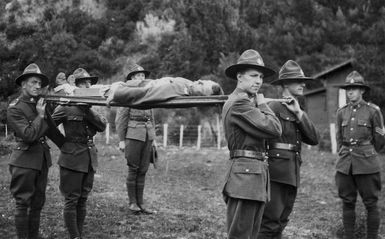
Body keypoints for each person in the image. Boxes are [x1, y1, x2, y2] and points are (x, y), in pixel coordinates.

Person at [221, 49, 282, 238]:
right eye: (253, 75)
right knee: (241, 235)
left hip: (252, 177)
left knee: (250, 234)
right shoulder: (240, 103)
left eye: (261, 77)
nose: (258, 81)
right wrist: (263, 105)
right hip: (244, 179)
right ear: (240, 77)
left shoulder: (247, 102)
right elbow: (274, 129)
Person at [258, 60, 319, 238]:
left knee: (281, 222)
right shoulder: (272, 107)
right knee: (269, 223)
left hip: (292, 171)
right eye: (298, 80)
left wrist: (299, 113)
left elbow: (313, 138)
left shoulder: (296, 108)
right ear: (285, 83)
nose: (303, 84)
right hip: (275, 172)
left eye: (303, 80)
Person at [7, 63, 65, 239]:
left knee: (38, 202)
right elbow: (29, 135)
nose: (38, 86)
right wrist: (40, 115)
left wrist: (68, 146)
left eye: (39, 83)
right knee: (23, 203)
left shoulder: (39, 104)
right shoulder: (15, 108)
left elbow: (52, 131)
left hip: (41, 160)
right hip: (24, 160)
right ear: (23, 84)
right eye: (33, 82)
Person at [51, 68, 106, 239]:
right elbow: (49, 126)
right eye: (83, 82)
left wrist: (87, 110)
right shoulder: (66, 107)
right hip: (71, 158)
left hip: (89, 158)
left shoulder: (91, 107)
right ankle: (74, 236)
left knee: (83, 199)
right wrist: (63, 144)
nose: (87, 85)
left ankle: (78, 234)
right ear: (75, 85)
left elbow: (102, 126)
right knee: (72, 199)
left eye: (89, 83)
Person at [334, 71, 384, 239]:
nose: (350, 92)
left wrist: (367, 152)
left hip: (367, 163)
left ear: (362, 90)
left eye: (354, 88)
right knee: (347, 202)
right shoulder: (341, 112)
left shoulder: (372, 111)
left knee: (371, 203)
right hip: (345, 164)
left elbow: (379, 139)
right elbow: (339, 139)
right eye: (348, 88)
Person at [115, 63, 156, 214]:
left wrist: (153, 137)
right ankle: (133, 203)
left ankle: (141, 203)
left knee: (143, 169)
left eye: (143, 76)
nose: (141, 78)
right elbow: (121, 119)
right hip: (133, 135)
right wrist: (121, 140)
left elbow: (152, 117)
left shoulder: (149, 93)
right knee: (133, 169)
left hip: (148, 136)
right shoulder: (128, 93)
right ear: (131, 78)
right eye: (138, 76)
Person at [105, 76, 223, 106]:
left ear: (201, 96)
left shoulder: (180, 90)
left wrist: (117, 93)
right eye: (203, 80)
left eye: (201, 86)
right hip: (132, 85)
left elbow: (146, 95)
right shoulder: (188, 84)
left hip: (125, 90)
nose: (199, 81)